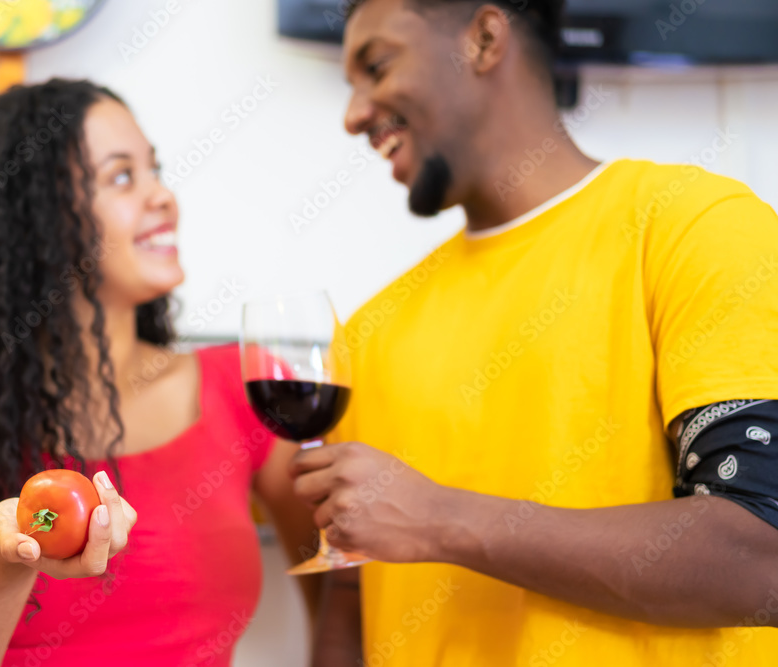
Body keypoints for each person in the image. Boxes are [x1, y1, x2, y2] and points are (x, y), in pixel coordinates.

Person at [290, 0, 778, 665]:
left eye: (376, 66)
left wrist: (441, 517)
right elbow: (351, 600)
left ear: (485, 38)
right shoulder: (369, 330)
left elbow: (761, 558)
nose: (354, 113)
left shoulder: (695, 228)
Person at [0, 79, 317, 667]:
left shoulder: (244, 386)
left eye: (154, 170)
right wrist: (9, 560)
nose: (164, 198)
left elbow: (336, 574)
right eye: (122, 176)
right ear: (31, 221)